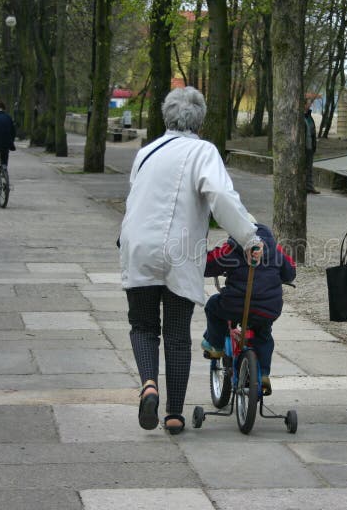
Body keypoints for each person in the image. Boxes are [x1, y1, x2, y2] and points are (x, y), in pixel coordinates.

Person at [119, 86, 263, 435]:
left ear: (166, 116)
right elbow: (221, 197)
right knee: (177, 334)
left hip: (137, 245)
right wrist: (249, 237)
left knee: (142, 326)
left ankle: (149, 384)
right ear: (199, 119)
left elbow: (135, 195)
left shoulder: (146, 151)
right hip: (179, 252)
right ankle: (173, 414)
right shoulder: (203, 151)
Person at [201, 215, 296, 395]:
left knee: (213, 306)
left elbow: (208, 265)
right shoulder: (275, 249)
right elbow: (290, 271)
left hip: (235, 305)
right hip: (268, 308)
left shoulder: (231, 249)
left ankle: (216, 345)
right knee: (264, 334)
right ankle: (264, 374)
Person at [304, 93, 320, 194]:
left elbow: (312, 131)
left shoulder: (309, 116)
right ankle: (304, 186)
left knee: (309, 167)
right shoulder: (301, 117)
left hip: (310, 146)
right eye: (309, 103)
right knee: (304, 167)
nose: (310, 105)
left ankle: (309, 186)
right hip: (305, 147)